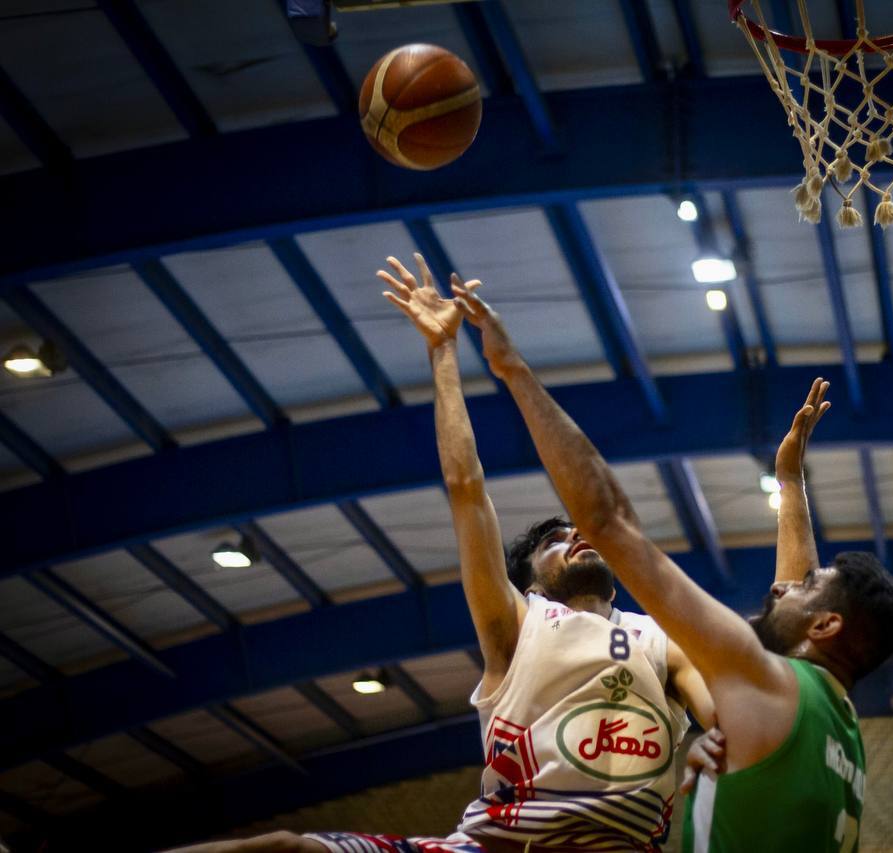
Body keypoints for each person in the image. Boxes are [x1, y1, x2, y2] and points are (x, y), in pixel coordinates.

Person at [165, 255, 712, 853]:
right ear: (530, 583)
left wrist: (725, 737)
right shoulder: (519, 623)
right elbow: (466, 489)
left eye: (581, 532)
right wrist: (443, 352)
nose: (577, 537)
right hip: (494, 847)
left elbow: (732, 713)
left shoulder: (663, 639)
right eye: (555, 540)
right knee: (281, 848)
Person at [450, 278, 893, 853]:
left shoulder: (675, 646)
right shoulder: (833, 722)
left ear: (825, 625)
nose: (779, 590)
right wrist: (790, 483)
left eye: (805, 588)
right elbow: (467, 492)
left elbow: (606, 518)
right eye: (554, 539)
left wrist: (512, 368)